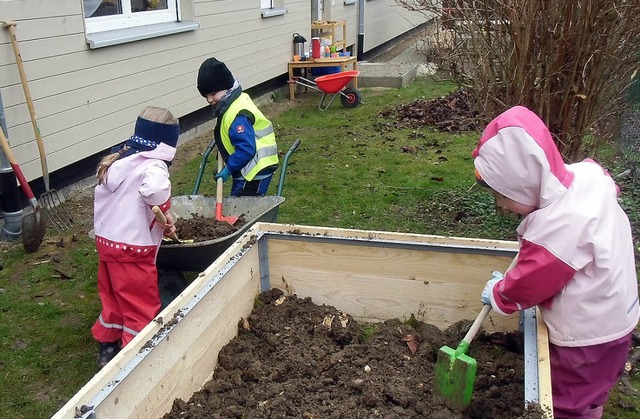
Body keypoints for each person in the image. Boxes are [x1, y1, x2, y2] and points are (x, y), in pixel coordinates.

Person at [473, 105, 639, 418]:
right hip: (617, 316)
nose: (502, 206)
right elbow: (606, 185)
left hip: (586, 338)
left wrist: (499, 293)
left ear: (526, 183)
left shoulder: (559, 228)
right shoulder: (586, 178)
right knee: (592, 386)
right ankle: (590, 407)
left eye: (504, 196)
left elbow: (529, 283)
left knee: (566, 398)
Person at [92, 106, 179, 368]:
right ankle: (137, 355)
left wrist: (161, 219)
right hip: (133, 250)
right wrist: (165, 211)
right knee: (139, 304)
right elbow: (154, 191)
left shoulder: (118, 160)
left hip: (107, 244)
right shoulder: (154, 166)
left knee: (113, 297)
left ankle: (108, 344)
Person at [196, 57, 279, 196]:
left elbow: (246, 149)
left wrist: (228, 169)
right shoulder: (235, 100)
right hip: (248, 166)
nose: (209, 100)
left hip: (254, 169)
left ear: (226, 87)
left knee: (241, 206)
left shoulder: (238, 115)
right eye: (206, 96)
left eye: (213, 94)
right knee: (238, 202)